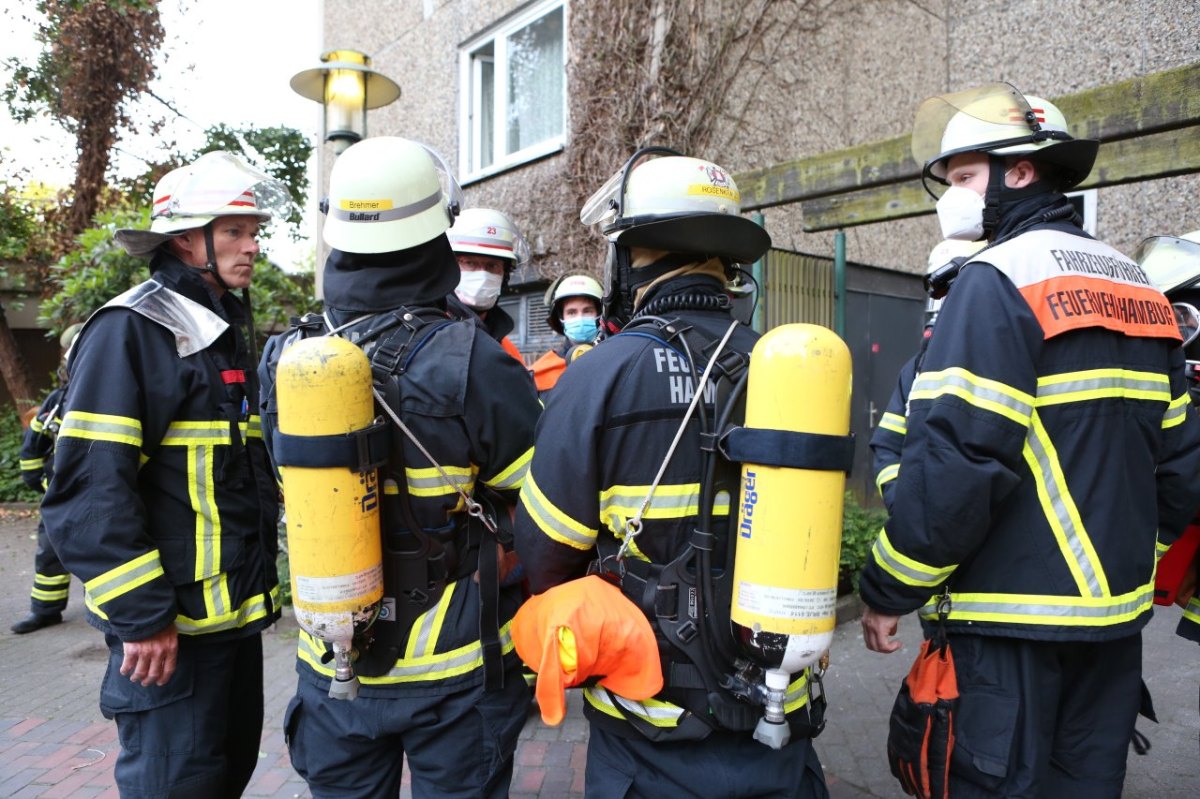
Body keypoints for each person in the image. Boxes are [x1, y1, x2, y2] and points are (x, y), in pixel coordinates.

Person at [858, 84, 1200, 797]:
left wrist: (888, 588)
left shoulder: (995, 280)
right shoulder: (1142, 290)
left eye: (961, 177)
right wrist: (1134, 567)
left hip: (1009, 625)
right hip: (1114, 632)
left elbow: (959, 465)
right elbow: (1181, 467)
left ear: (1020, 172)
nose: (949, 198)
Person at [515, 149, 829, 798]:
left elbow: (546, 558)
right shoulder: (787, 367)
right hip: (775, 712)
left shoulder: (598, 375)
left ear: (630, 257)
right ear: (727, 260)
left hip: (650, 733)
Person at [258, 136, 540, 799]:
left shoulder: (287, 358)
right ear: (435, 236)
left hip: (334, 658)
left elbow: (278, 483)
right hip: (453, 667)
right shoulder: (473, 360)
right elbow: (540, 500)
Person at [39, 151, 286, 798]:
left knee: (223, 777)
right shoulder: (133, 329)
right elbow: (89, 490)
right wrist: (141, 615)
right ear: (185, 237)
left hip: (228, 626)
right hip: (168, 635)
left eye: (254, 231)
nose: (252, 246)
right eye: (234, 230)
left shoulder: (218, 328)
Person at [870, 240, 982, 510]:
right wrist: (900, 502)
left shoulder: (997, 361)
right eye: (937, 292)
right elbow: (887, 445)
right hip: (921, 530)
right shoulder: (915, 369)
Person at [10, 323, 80, 634]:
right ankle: (45, 610)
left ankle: (115, 616)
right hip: (60, 495)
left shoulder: (115, 395)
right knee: (50, 555)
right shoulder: (58, 401)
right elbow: (34, 444)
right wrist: (38, 480)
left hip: (103, 496)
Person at [446, 206, 529, 363]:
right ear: (450, 269)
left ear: (505, 275)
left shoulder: (507, 349)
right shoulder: (428, 333)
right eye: (470, 263)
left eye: (492, 266)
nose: (483, 275)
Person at [529, 272, 603, 395]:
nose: (580, 318)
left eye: (587, 311)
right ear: (561, 318)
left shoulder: (618, 362)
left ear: (600, 314)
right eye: (572, 312)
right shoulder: (540, 373)